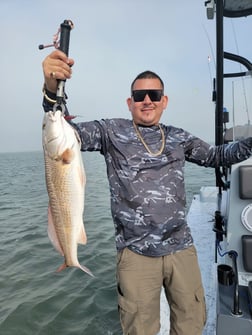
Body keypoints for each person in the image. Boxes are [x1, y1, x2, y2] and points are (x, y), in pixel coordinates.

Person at [42, 50, 252, 335]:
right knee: (140, 329)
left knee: (191, 323)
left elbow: (217, 156)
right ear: (130, 102)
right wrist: (52, 88)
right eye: (139, 96)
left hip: (181, 248)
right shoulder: (110, 131)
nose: (147, 101)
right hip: (135, 253)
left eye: (154, 94)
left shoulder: (179, 136)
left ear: (164, 101)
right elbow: (65, 132)